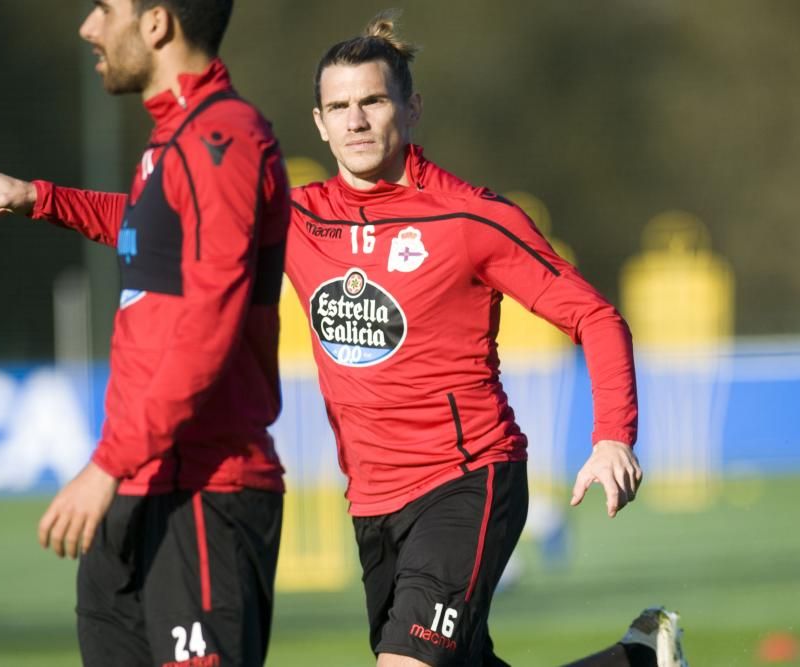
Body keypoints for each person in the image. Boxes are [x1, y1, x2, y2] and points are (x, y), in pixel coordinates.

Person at [284, 10, 687, 667]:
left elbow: (596, 317)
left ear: (411, 108)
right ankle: (639, 662)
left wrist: (614, 433)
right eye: (339, 106)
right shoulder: (296, 214)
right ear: (319, 122)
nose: (355, 120)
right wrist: (50, 199)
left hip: (467, 480)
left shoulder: (471, 216)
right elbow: (162, 222)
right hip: (372, 503)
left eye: (373, 101)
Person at [0, 1, 290, 665]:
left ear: (156, 24)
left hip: (204, 492)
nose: (88, 28)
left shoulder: (224, 138)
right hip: (140, 485)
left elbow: (207, 331)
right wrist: (37, 197)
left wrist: (107, 463)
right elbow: (146, 225)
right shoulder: (175, 138)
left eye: (103, 10)